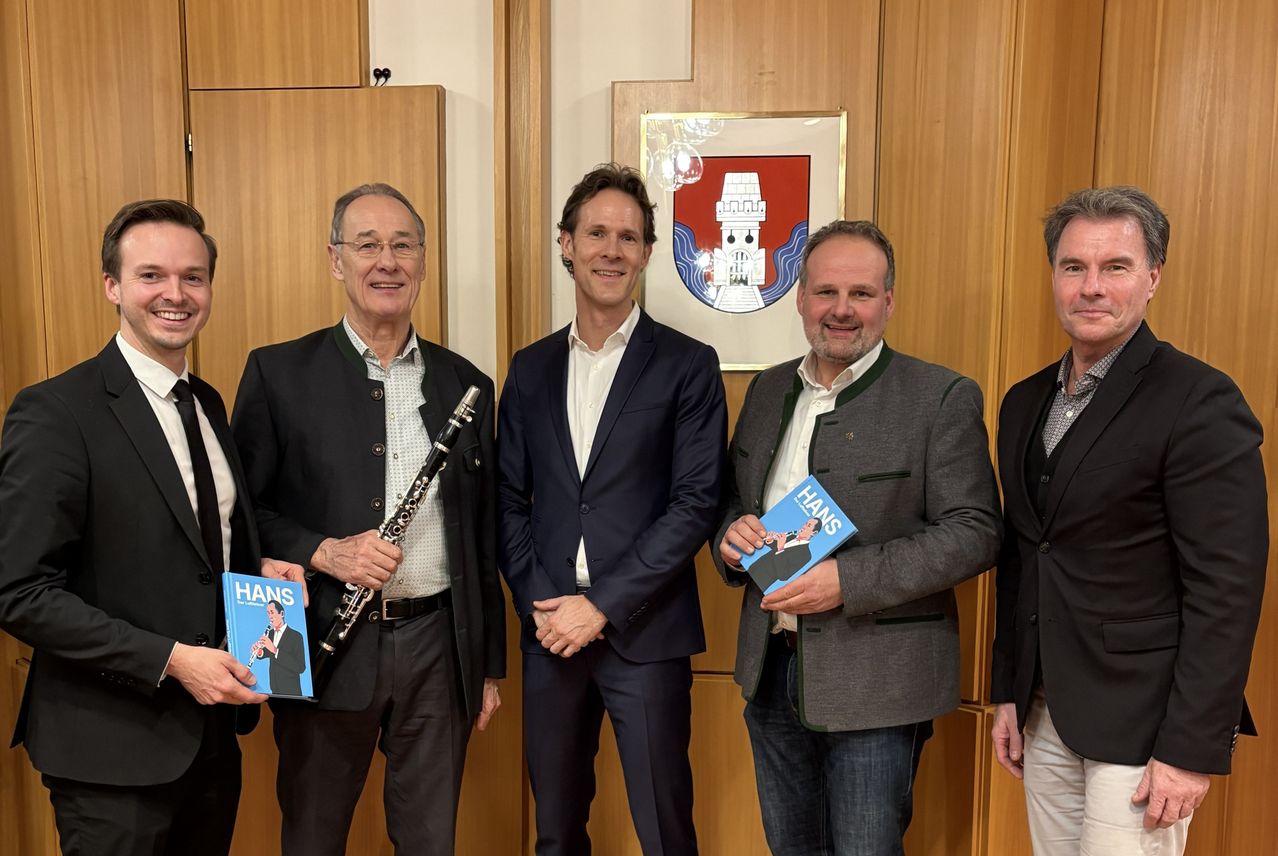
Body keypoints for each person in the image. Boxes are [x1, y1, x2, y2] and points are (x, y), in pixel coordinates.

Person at [0, 199, 300, 856]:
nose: (176, 293)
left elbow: (201, 550)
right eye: (151, 276)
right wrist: (169, 660)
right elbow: (19, 591)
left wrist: (258, 572)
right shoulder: (56, 412)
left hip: (213, 740)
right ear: (112, 286)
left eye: (193, 277)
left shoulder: (209, 403)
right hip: (108, 755)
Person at [990, 186, 1268, 854]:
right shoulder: (1024, 401)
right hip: (1043, 713)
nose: (1091, 287)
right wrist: (1008, 690)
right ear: (1054, 276)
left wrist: (1191, 747)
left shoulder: (1199, 399)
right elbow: (1024, 554)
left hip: (1147, 728)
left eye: (1115, 267)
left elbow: (1226, 588)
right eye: (1073, 267)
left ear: (1153, 278)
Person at [231, 183, 505, 856]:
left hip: (439, 647)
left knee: (428, 841)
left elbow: (482, 534)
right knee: (314, 837)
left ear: (422, 259)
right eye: (367, 245)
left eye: (403, 245)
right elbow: (238, 517)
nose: (387, 261)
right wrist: (324, 552)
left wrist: (488, 666)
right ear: (335, 260)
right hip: (322, 641)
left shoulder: (467, 383)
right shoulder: (276, 374)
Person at [715, 219, 1001, 856]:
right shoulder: (765, 390)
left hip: (879, 685)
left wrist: (849, 580)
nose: (841, 310)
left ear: (889, 301)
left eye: (862, 294)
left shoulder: (940, 397)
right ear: (800, 297)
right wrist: (731, 536)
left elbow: (975, 532)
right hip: (770, 672)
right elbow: (737, 499)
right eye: (825, 292)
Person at [497, 163, 727, 855]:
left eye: (628, 237)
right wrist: (544, 604)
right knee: (555, 832)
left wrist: (600, 607)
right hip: (551, 637)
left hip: (646, 635)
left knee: (665, 831)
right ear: (566, 243)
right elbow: (507, 501)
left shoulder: (688, 364)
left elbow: (695, 503)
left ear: (649, 254)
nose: (612, 250)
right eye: (596, 233)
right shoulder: (530, 367)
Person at [253, 599, 305, 696]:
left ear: (282, 613)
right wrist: (259, 652)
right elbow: (268, 653)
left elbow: (300, 667)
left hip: (291, 691)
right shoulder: (271, 633)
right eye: (268, 613)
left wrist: (274, 649)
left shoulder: (296, 636)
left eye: (272, 612)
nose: (270, 617)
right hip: (274, 688)